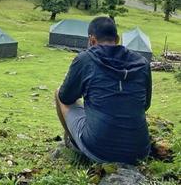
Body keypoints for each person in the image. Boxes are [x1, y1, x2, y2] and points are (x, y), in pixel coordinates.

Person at [55, 17, 151, 164]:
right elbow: (145, 105)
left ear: (92, 40)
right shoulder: (142, 63)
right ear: (117, 39)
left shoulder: (85, 59)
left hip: (100, 151)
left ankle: (73, 143)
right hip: (140, 152)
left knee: (58, 93)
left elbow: (65, 97)